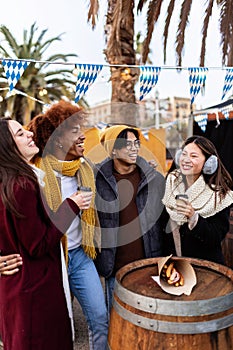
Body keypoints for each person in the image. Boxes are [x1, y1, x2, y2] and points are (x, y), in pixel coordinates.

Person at [0, 117, 91, 350]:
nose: (29, 134)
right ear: (7, 146)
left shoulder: (11, 180)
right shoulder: (21, 184)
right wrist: (71, 205)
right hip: (33, 292)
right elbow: (38, 244)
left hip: (18, 291)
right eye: (20, 134)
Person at [27, 101, 108, 350]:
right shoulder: (35, 174)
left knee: (100, 319)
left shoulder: (84, 170)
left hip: (81, 256)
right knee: (58, 327)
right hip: (51, 260)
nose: (83, 135)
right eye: (74, 131)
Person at [94, 124, 165, 317]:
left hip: (148, 264)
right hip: (114, 267)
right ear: (113, 149)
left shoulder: (154, 179)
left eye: (136, 143)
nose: (134, 148)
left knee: (148, 322)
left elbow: (164, 222)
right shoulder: (95, 180)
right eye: (127, 144)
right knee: (117, 324)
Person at [162, 135, 233, 264]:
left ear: (208, 162)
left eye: (194, 156)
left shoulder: (219, 195)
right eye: (184, 154)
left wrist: (193, 217)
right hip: (174, 265)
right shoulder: (170, 184)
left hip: (205, 268)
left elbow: (215, 237)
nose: (186, 160)